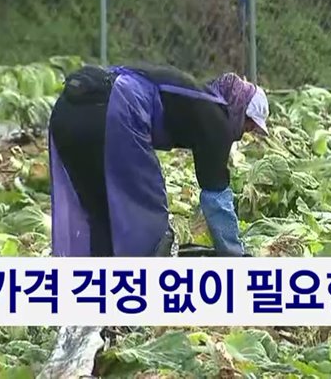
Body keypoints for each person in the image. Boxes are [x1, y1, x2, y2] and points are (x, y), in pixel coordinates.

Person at [48, 63, 269, 259]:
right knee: (149, 221)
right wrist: (234, 255)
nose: (246, 132)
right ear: (239, 107)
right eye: (249, 125)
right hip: (115, 111)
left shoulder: (194, 97)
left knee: (100, 210)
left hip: (67, 111)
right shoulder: (215, 120)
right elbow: (216, 198)